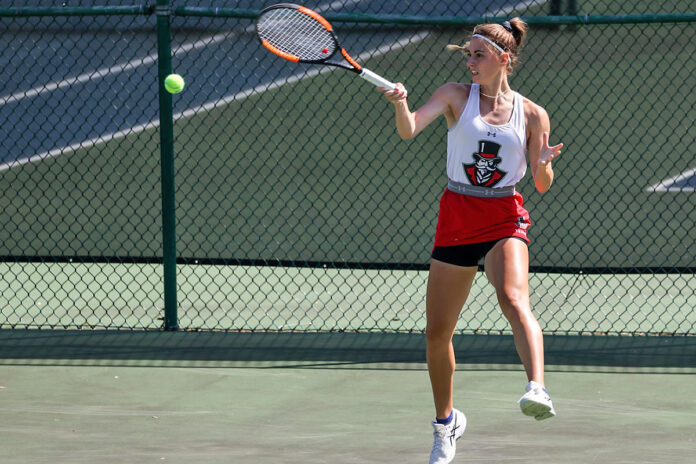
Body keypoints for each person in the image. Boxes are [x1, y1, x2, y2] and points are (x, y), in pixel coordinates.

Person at [379, 18, 563, 464]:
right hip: (458, 214)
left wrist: (541, 164)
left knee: (514, 298)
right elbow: (409, 130)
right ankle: (446, 425)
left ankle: (536, 387)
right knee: (437, 332)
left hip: (504, 215)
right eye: (468, 54)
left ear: (504, 59)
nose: (471, 62)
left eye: (478, 54)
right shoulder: (454, 95)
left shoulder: (534, 114)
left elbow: (541, 184)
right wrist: (401, 105)